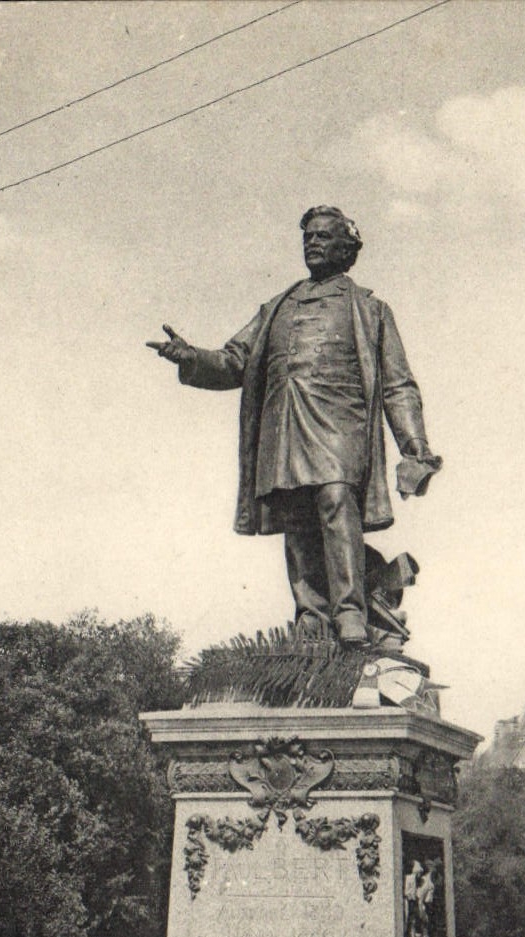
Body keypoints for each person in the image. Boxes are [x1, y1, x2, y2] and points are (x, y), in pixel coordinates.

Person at [148, 208, 440, 648]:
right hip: (285, 428)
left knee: (336, 499)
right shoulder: (277, 308)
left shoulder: (369, 309)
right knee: (298, 517)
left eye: (324, 237)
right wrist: (190, 357)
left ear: (347, 249)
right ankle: (310, 615)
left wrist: (415, 446)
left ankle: (350, 612)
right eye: (308, 237)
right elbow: (234, 362)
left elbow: (398, 384)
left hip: (341, 426)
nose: (313, 244)